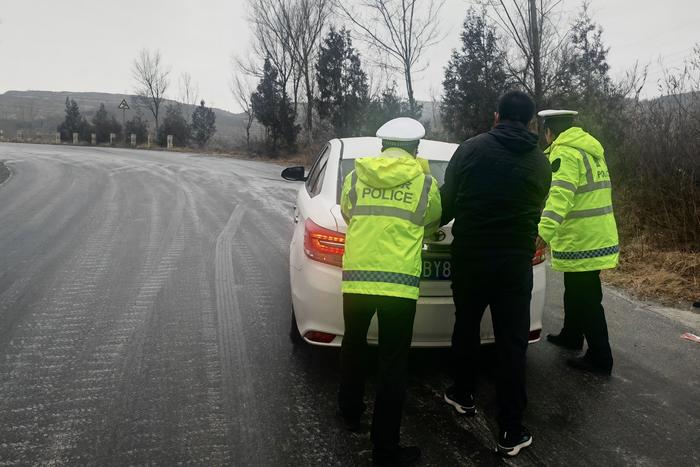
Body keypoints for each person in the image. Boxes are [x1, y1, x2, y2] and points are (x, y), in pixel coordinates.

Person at [440, 91, 551, 457]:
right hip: (515, 263)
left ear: (496, 116)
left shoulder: (470, 150)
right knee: (512, 342)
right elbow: (536, 208)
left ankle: (463, 394)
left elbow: (447, 202)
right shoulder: (541, 162)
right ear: (530, 122)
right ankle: (511, 429)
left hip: (471, 256)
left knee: (467, 326)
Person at [338, 117, 441, 466]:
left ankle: (349, 413)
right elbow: (434, 220)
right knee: (393, 363)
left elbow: (348, 211)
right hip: (398, 285)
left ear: (381, 146)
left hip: (357, 279)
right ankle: (385, 447)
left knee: (353, 343)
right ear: (417, 149)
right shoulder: (425, 182)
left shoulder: (355, 176)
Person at [536, 110, 619, 375]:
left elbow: (560, 197)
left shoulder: (565, 153)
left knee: (587, 298)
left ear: (549, 132)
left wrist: (542, 233)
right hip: (596, 234)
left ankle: (600, 356)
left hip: (582, 238)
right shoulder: (590, 150)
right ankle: (571, 335)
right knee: (576, 290)